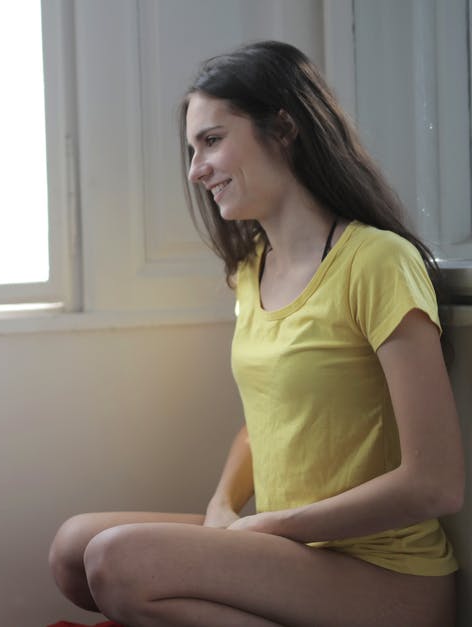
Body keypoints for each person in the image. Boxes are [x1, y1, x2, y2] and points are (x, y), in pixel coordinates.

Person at [48, 40, 464, 626]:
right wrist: (223, 506)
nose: (195, 170)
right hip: (288, 549)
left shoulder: (378, 263)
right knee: (73, 547)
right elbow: (266, 419)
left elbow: (436, 484)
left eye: (212, 141)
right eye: (192, 150)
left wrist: (271, 525)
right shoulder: (251, 271)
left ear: (284, 127)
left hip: (385, 574)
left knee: (118, 561)